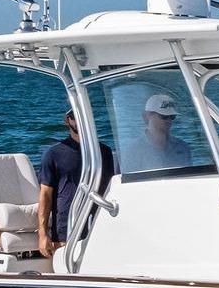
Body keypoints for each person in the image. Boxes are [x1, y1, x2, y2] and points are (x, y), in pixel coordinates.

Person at [36, 108, 115, 260]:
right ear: (67, 120)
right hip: (66, 228)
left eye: (84, 115)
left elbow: (111, 187)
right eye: (75, 116)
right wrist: (42, 234)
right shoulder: (53, 154)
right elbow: (45, 195)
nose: (80, 119)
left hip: (99, 225)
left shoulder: (104, 152)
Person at [120, 92, 193, 173]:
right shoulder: (132, 151)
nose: (169, 120)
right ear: (147, 116)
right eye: (164, 116)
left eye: (172, 117)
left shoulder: (183, 147)